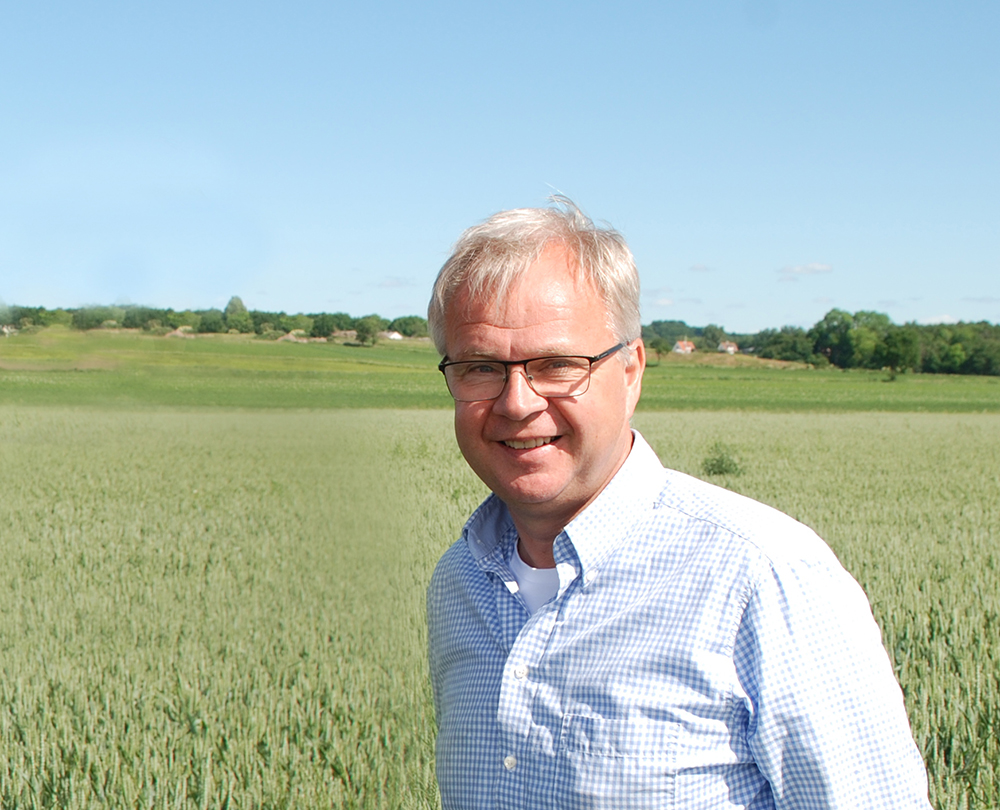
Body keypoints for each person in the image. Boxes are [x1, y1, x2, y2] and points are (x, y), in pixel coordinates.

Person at [425, 199, 932, 809]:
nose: (516, 403)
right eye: (481, 368)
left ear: (632, 371)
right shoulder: (460, 583)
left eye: (557, 364)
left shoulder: (762, 578)